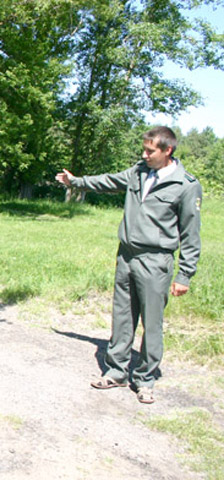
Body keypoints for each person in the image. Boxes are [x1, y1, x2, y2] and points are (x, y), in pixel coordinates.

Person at [55, 126, 202, 404]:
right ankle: (117, 371)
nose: (144, 154)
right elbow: (108, 181)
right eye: (143, 149)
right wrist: (76, 182)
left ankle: (145, 379)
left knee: (152, 321)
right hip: (126, 255)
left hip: (156, 260)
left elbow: (191, 234)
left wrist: (185, 274)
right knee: (122, 316)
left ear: (167, 150)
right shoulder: (137, 172)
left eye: (150, 151)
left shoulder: (186, 185)